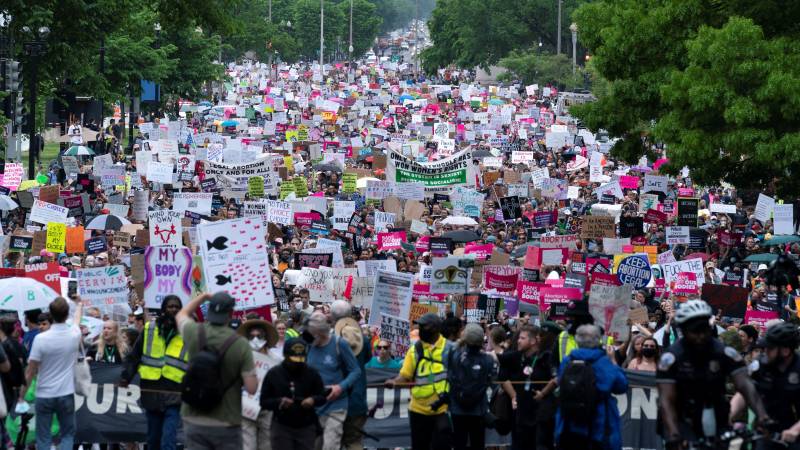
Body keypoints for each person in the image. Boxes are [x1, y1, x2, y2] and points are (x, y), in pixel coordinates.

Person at [657, 300, 771, 449]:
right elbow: (666, 401)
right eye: (695, 331)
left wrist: (762, 416)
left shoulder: (724, 352)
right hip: (680, 417)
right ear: (683, 330)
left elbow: (745, 385)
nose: (701, 336)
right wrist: (674, 435)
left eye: (704, 329)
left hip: (716, 413)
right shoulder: (671, 357)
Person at [176, 292, 259, 450]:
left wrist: (204, 297)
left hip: (194, 418)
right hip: (227, 421)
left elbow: (181, 314)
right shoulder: (241, 344)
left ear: (210, 310)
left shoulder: (194, 331)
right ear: (231, 313)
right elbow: (251, 388)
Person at [120, 295, 186, 450]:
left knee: (168, 441)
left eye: (177, 306)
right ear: (163, 309)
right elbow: (134, 357)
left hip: (174, 396)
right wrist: (126, 377)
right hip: (152, 395)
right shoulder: (149, 329)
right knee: (153, 440)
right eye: (170, 306)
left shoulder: (186, 332)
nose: (174, 309)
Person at [385, 313, 454, 450]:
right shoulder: (415, 350)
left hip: (442, 410)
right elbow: (405, 376)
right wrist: (394, 382)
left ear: (435, 329)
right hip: (418, 410)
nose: (420, 328)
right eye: (419, 326)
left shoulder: (450, 349)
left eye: (424, 326)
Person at [555, 324, 628, 450]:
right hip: (599, 423)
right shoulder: (603, 361)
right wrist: (614, 362)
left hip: (569, 421)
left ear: (577, 339)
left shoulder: (568, 361)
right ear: (598, 339)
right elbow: (621, 386)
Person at [23, 297, 82, 450]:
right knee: (67, 435)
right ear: (67, 313)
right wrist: (79, 304)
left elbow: (30, 371)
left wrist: (21, 396)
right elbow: (77, 320)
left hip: (44, 394)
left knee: (43, 437)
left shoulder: (40, 339)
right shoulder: (74, 335)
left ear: (51, 314)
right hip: (66, 394)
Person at [730, 322, 800, 450]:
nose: (765, 351)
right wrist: (730, 413)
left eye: (770, 348)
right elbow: (744, 392)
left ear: (785, 350)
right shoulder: (760, 364)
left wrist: (794, 431)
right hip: (766, 430)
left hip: (794, 431)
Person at [305, 311, 361, 450]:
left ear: (321, 332)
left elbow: (355, 371)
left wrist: (340, 387)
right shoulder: (308, 345)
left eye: (313, 334)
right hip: (314, 406)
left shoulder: (338, 343)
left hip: (336, 405)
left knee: (330, 445)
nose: (310, 337)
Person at [261, 338, 328, 450]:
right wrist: (280, 402)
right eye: (293, 361)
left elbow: (322, 396)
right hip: (282, 426)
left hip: (306, 426)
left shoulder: (312, 373)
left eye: (300, 360)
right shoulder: (274, 374)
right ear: (285, 355)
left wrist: (312, 400)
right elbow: (264, 401)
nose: (296, 364)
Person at [499, 324, 557, 450]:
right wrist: (514, 396)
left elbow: (556, 378)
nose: (518, 340)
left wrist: (543, 393)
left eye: (523, 338)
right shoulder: (517, 357)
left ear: (533, 340)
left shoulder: (545, 358)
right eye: (519, 337)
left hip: (540, 415)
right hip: (521, 415)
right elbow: (502, 373)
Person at [447, 323, 497, 450]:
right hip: (479, 410)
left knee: (459, 443)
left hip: (457, 409)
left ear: (465, 338)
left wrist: (461, 342)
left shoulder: (455, 355)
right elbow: (494, 383)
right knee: (478, 443)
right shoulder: (488, 360)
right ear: (482, 339)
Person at [331, 300, 372, 450]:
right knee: (354, 441)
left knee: (333, 443)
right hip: (358, 399)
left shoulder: (329, 340)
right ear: (349, 316)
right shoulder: (363, 339)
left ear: (331, 317)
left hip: (335, 400)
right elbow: (367, 358)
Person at [239, 316, 282, 450]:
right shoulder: (240, 358)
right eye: (252, 336)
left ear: (266, 338)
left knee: (267, 445)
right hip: (246, 409)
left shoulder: (276, 361)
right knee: (248, 447)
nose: (256, 339)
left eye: (259, 336)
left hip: (268, 410)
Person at [554, 299, 598, 365]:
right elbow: (554, 361)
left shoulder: (598, 337)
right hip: (566, 374)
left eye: (573, 318)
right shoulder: (562, 336)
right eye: (569, 317)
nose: (569, 321)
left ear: (584, 318)